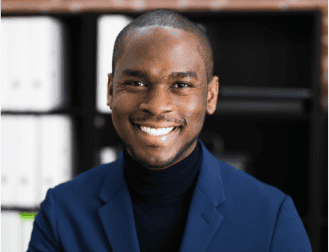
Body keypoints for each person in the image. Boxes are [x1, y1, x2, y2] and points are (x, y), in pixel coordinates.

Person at [28, 8, 312, 252]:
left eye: (182, 85)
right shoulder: (61, 212)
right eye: (136, 83)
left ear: (210, 96)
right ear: (110, 90)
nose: (156, 106)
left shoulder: (272, 217)